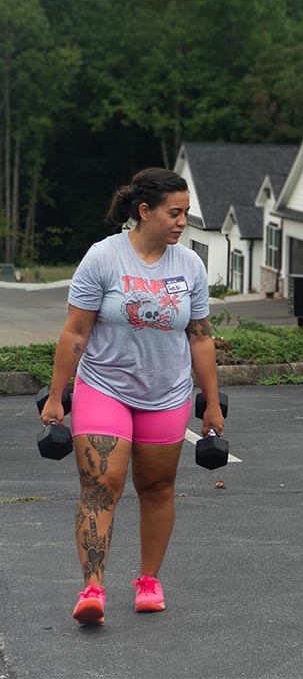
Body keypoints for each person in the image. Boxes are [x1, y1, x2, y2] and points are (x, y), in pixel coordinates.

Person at [39, 168, 223, 626]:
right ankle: (92, 588)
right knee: (102, 486)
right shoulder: (104, 258)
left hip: (167, 392)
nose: (182, 222)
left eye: (186, 213)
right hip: (105, 387)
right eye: (174, 213)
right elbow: (76, 332)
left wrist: (213, 402)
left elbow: (200, 338)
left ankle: (148, 581)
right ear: (145, 212)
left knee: (157, 487)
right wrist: (57, 395)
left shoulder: (190, 266)